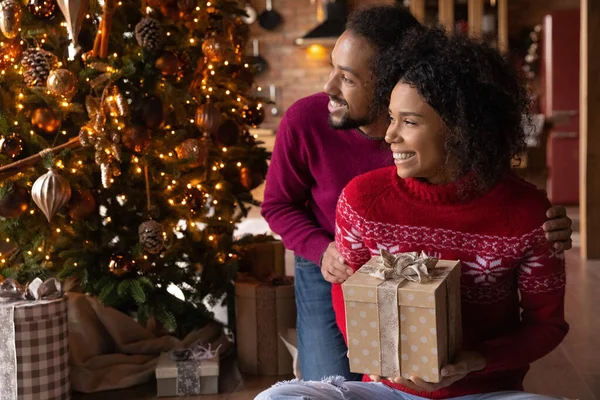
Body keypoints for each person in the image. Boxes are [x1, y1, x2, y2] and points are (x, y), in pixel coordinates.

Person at [260, 5, 573, 382]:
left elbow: (490, 198)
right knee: (330, 372)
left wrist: (544, 224)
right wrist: (320, 248)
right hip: (331, 254)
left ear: (389, 80)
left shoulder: (439, 125)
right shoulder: (307, 121)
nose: (328, 87)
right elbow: (277, 203)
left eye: (348, 78)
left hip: (416, 258)